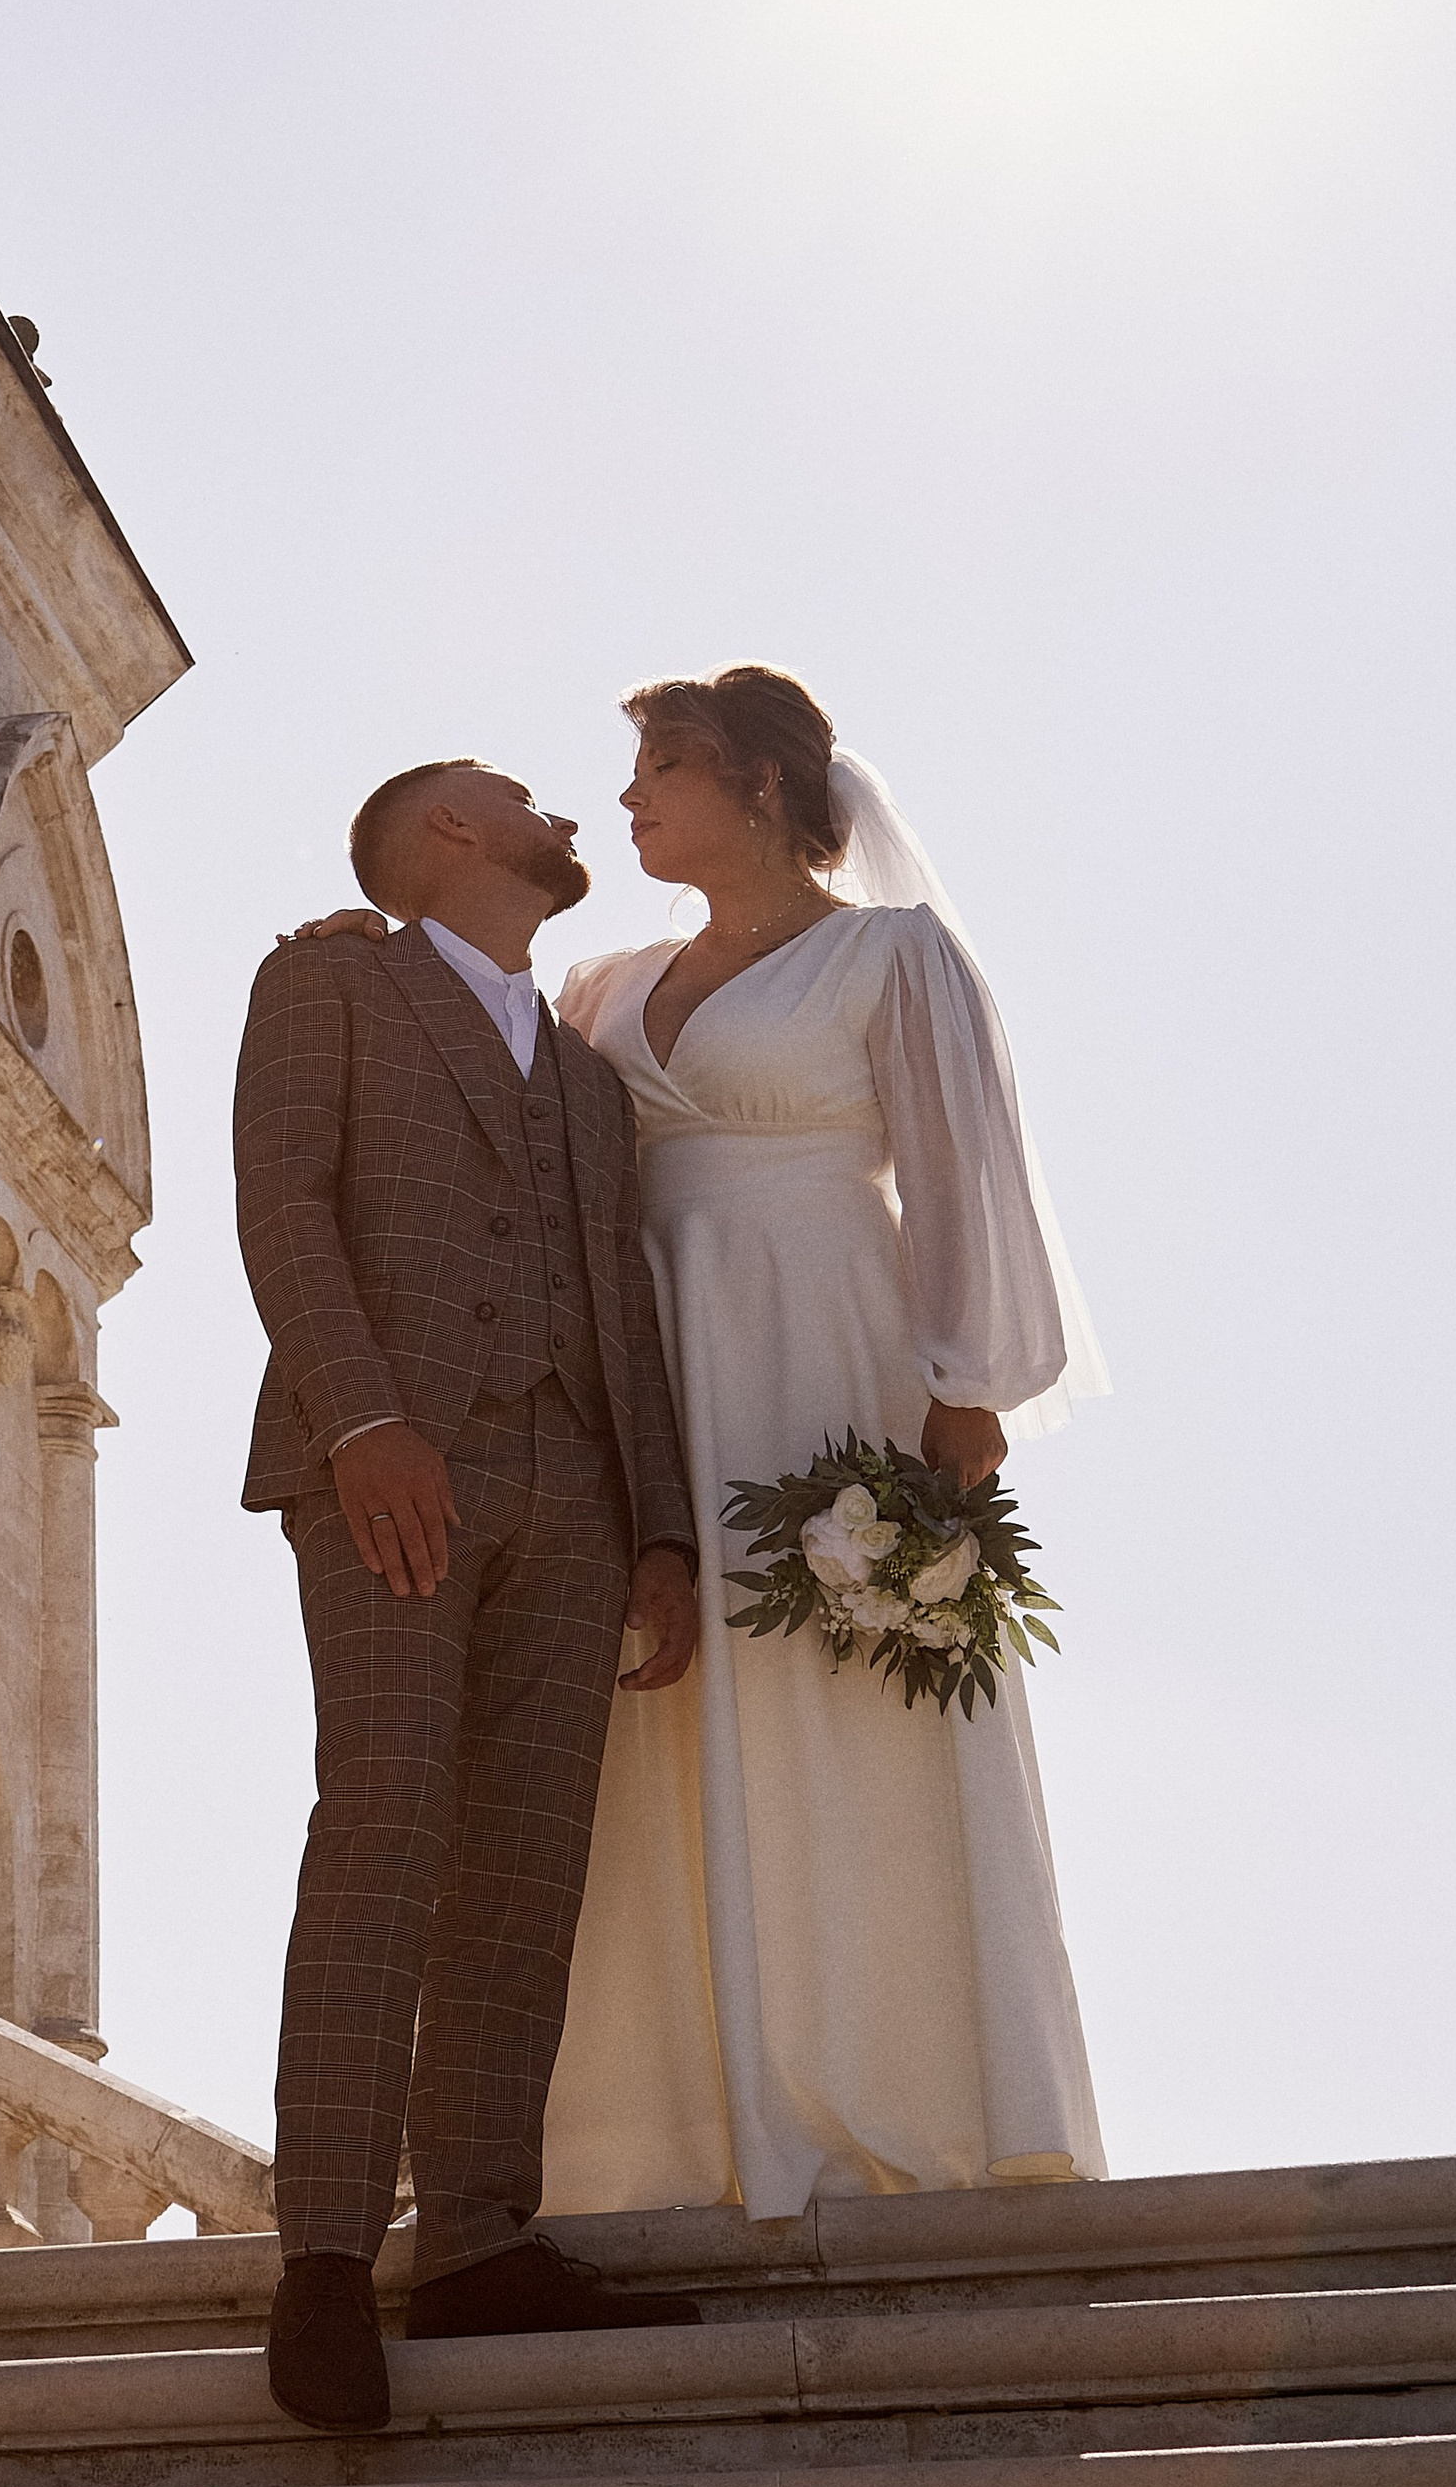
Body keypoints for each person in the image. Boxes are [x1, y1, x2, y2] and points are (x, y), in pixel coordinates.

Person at [298, 668, 1106, 2224]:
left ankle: (892, 2089)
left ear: (761, 786)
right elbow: (484, 1051)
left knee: (842, 1697)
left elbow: (965, 1178)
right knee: (650, 1730)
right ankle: (660, 2132)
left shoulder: (893, 958)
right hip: (646, 1387)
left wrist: (965, 1392)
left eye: (663, 767)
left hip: (828, 1352)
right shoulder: (603, 982)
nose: (629, 797)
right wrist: (367, 945)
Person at [235, 759, 709, 2430]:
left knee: (529, 1861)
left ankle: (480, 2240)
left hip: (573, 1498)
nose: (569, 817)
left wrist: (658, 1529)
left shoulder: (585, 1081)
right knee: (383, 1824)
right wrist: (364, 1419)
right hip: (386, 1470)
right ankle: (324, 2262)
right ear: (447, 831)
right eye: (525, 795)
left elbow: (621, 1304)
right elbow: (283, 1204)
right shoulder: (326, 979)